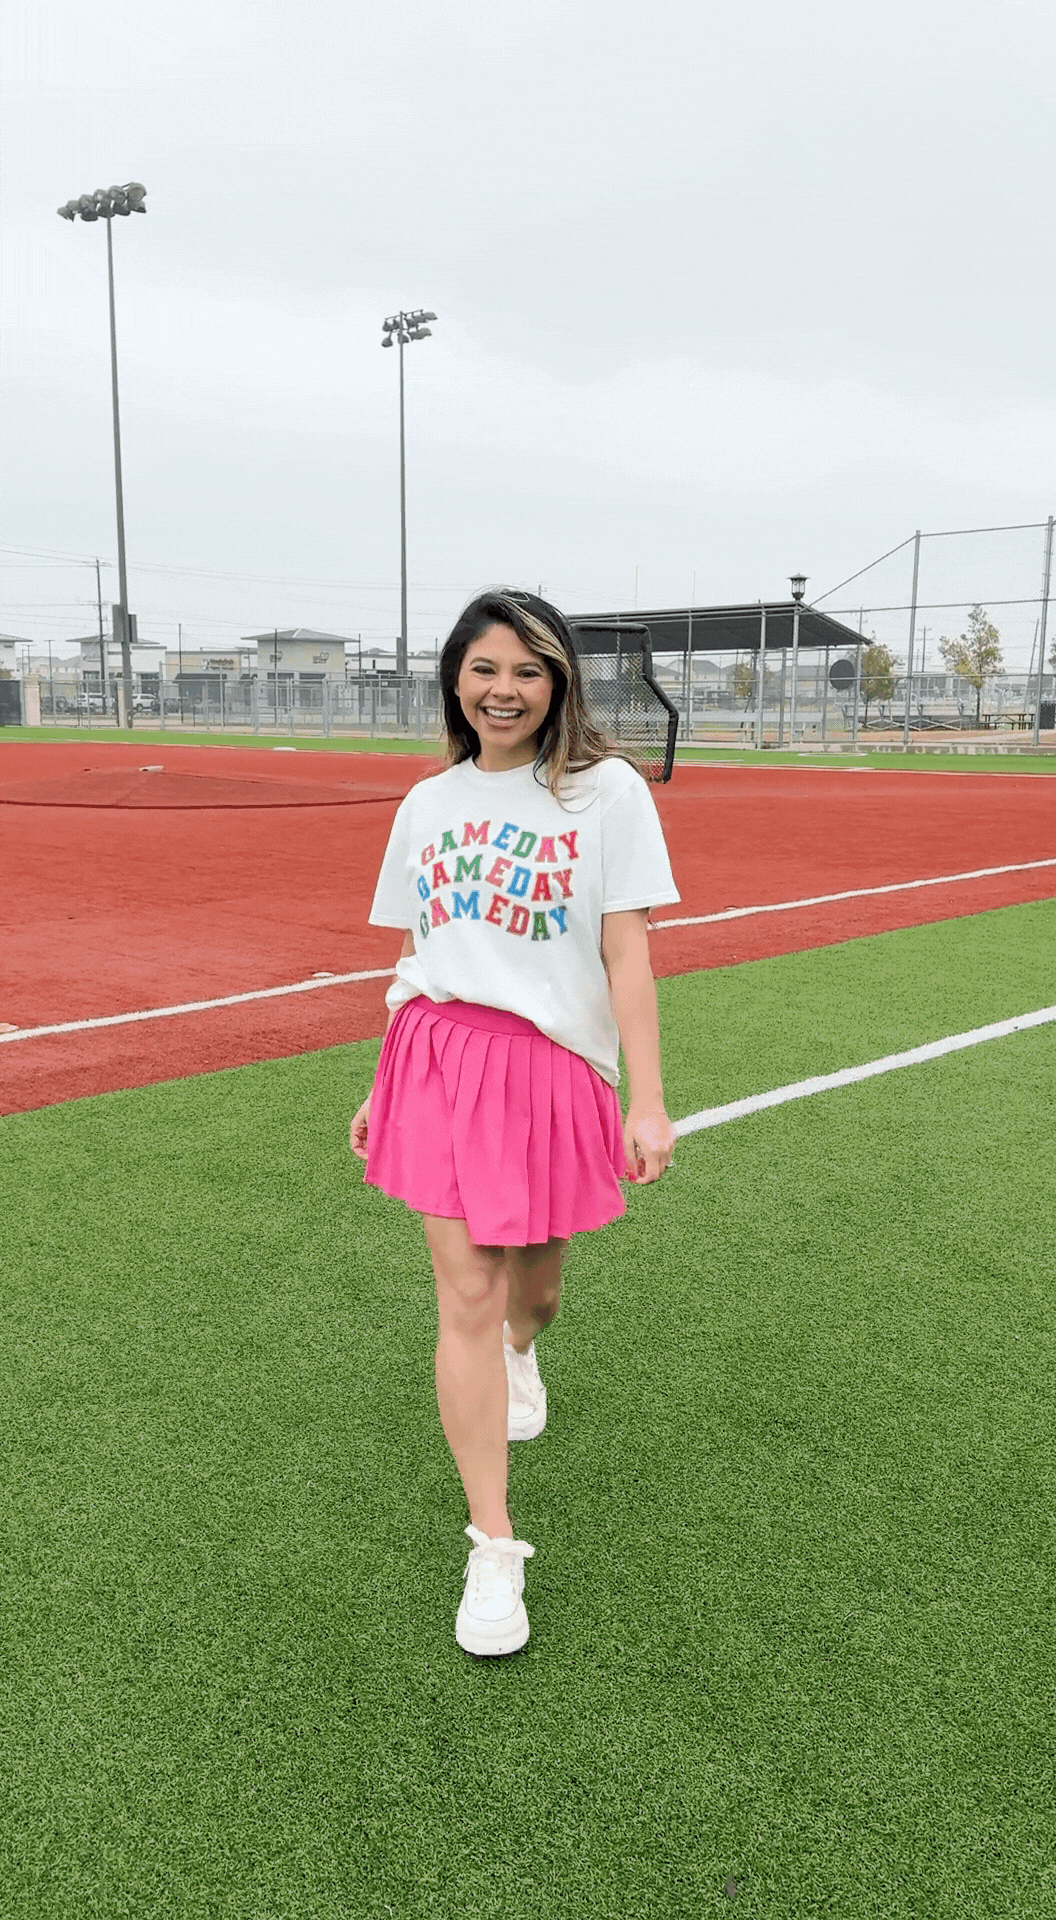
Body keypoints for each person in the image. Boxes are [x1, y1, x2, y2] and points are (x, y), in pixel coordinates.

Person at [350, 588, 680, 1657]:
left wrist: (649, 1097)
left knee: (531, 1285)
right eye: (487, 669)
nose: (505, 690)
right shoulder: (426, 803)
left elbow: (627, 952)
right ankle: (492, 1548)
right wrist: (377, 1080)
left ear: (559, 683)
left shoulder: (606, 794)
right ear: (457, 677)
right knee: (467, 1288)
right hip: (439, 1060)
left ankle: (524, 1349)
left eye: (529, 671)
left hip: (553, 1070)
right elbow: (419, 956)